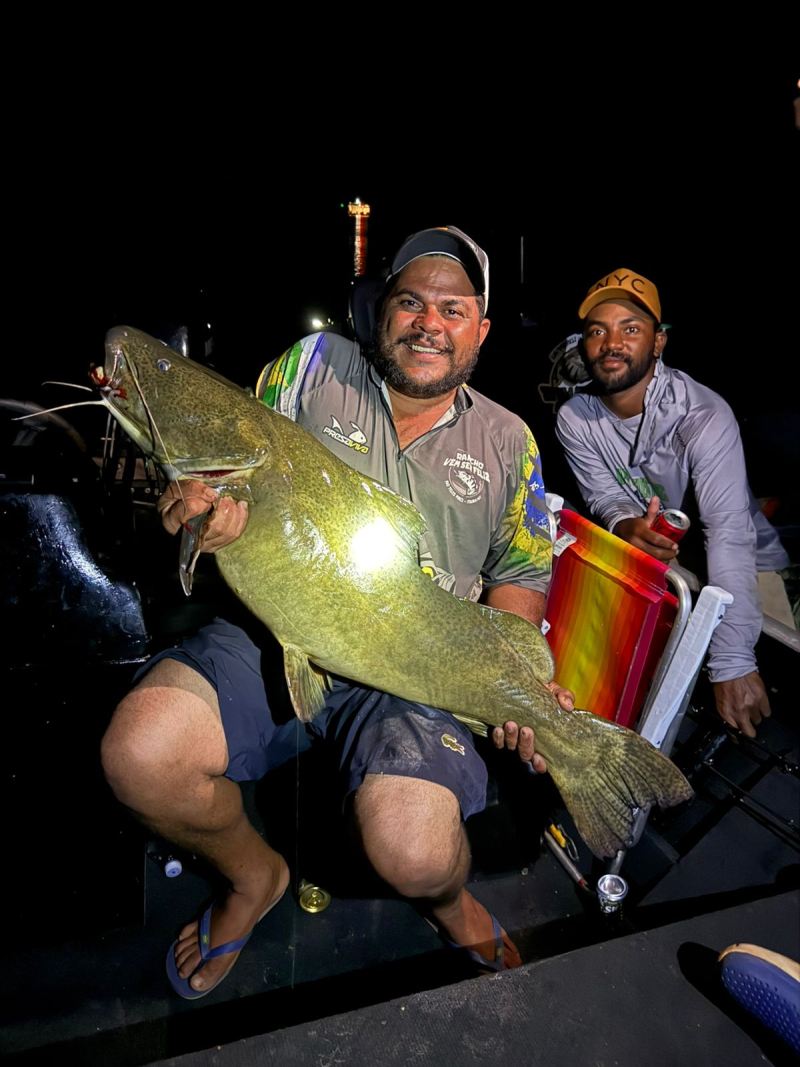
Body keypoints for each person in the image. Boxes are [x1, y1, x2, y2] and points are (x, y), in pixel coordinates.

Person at [102, 226, 574, 999]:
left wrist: (520, 685)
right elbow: (222, 461)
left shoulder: (510, 441)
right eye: (411, 301)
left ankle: (448, 902)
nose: (429, 322)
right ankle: (253, 877)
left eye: (453, 309)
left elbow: (520, 574)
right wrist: (195, 508)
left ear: (481, 330)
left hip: (415, 668)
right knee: (140, 755)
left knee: (416, 851)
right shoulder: (311, 366)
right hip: (274, 629)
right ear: (381, 309)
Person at [555, 269, 789, 739]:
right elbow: (605, 495)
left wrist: (732, 660)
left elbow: (728, 534)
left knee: (763, 711)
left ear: (658, 342)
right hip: (664, 571)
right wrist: (623, 523)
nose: (612, 343)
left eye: (631, 329)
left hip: (745, 565)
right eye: (598, 331)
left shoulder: (703, 416)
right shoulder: (574, 418)